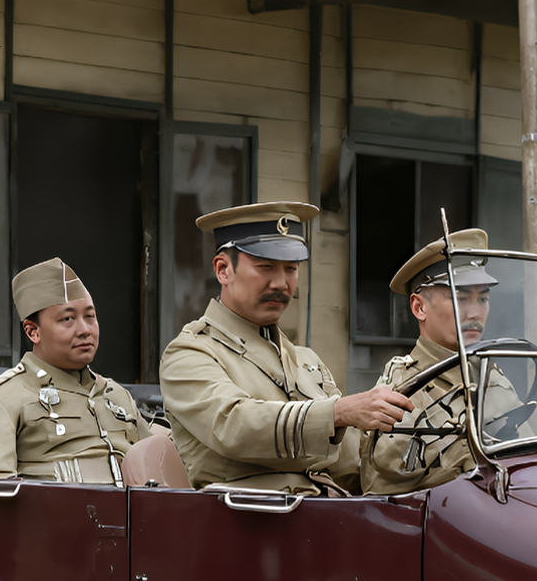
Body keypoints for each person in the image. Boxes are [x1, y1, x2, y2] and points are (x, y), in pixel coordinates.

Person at [160, 201, 410, 494]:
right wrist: (337, 413)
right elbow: (234, 426)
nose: (281, 283)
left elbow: (348, 466)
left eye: (291, 269)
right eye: (265, 267)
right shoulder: (189, 353)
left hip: (324, 514)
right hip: (248, 521)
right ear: (223, 270)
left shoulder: (305, 360)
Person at [360, 230, 529, 495]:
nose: (475, 313)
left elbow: (530, 458)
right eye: (461, 298)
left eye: (483, 298)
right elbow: (384, 488)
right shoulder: (403, 387)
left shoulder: (489, 375)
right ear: (419, 308)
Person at [0, 258, 150, 483]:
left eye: (90, 316)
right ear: (33, 332)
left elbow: (159, 465)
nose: (84, 330)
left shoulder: (117, 396)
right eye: (68, 319)